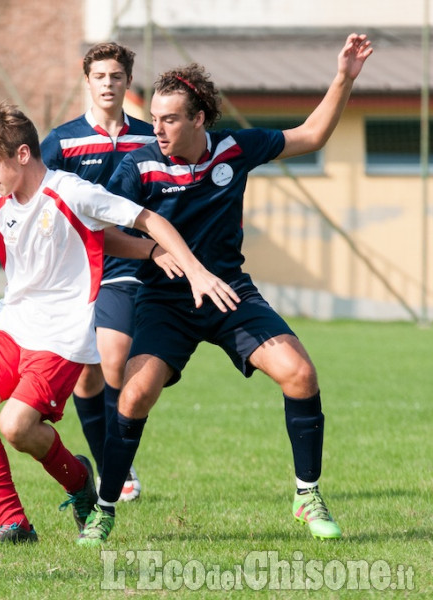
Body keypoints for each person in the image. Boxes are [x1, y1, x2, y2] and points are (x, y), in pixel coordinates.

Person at [0, 103, 239, 544]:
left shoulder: (71, 192)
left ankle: (77, 482)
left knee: (16, 426)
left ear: (21, 155)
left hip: (62, 335)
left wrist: (186, 266)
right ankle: (13, 523)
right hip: (12, 324)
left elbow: (147, 219)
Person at [78, 33, 374, 546]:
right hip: (165, 302)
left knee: (300, 374)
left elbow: (311, 136)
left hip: (228, 294)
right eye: (154, 117)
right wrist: (154, 252)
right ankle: (105, 507)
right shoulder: (138, 166)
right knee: (136, 391)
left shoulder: (234, 150)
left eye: (170, 118)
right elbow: (101, 233)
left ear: (198, 119)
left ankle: (307, 495)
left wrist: (344, 77)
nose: (157, 127)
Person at [41, 42, 156, 502]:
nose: (108, 84)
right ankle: (114, 467)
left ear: (128, 81)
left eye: (116, 76)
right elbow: (38, 197)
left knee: (114, 358)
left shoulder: (150, 137)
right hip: (75, 271)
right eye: (100, 76)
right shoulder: (62, 140)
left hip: (127, 263)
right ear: (86, 80)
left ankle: (116, 468)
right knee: (87, 377)